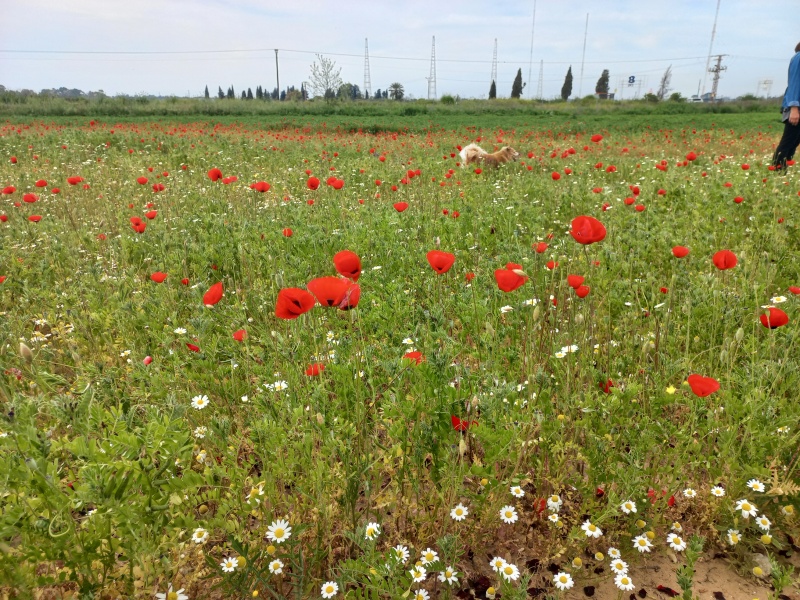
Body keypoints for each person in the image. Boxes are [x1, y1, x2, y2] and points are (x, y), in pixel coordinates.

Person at [772, 42, 800, 169]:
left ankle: (782, 172)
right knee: (788, 142)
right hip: (796, 108)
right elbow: (795, 82)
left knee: (793, 143)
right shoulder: (799, 57)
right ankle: (776, 169)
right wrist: (794, 107)